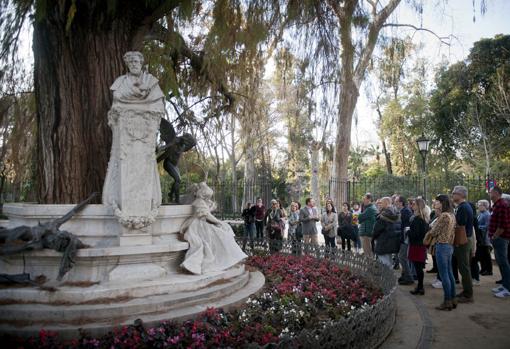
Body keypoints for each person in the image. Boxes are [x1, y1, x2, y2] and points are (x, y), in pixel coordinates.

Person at [180, 182, 247, 275]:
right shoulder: (199, 202)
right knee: (220, 234)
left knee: (221, 233)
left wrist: (211, 208)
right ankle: (226, 258)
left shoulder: (200, 202)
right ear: (203, 194)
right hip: (198, 226)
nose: (209, 198)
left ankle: (228, 257)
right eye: (207, 196)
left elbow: (206, 213)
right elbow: (207, 216)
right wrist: (219, 222)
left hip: (201, 223)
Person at [427, 194, 457, 311]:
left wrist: (436, 220)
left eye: (437, 201)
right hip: (449, 246)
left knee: (444, 275)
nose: (435, 203)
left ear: (442, 203)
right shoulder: (451, 215)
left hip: (442, 246)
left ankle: (447, 301)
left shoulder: (444, 216)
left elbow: (433, 231)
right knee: (449, 274)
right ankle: (453, 298)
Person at [452, 186, 474, 303]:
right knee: (463, 266)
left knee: (464, 267)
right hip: (465, 239)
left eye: (454, 193)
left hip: (463, 240)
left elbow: (460, 225)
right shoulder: (464, 206)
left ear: (461, 195)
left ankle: (468, 294)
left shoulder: (463, 207)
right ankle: (466, 291)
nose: (452, 195)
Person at [489, 186, 510, 298]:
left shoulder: (502, 205)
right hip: (498, 238)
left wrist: (495, 236)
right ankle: (504, 284)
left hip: (501, 239)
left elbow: (503, 225)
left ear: (496, 193)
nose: (489, 193)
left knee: (504, 262)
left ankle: (508, 288)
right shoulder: (497, 205)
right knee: (501, 262)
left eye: (491, 192)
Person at [408, 198, 430, 295]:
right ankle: (420, 287)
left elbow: (416, 234)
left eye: (414, 204)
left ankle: (420, 287)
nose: (412, 206)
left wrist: (408, 231)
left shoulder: (418, 219)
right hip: (420, 245)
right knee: (419, 268)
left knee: (418, 268)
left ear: (418, 206)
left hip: (416, 246)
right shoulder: (423, 218)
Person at [372, 197, 401, 266]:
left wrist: (373, 236)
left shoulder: (384, 215)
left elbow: (377, 229)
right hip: (392, 240)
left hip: (383, 241)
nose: (380, 204)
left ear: (386, 203)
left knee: (384, 262)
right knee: (389, 260)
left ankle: (386, 276)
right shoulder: (395, 212)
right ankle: (388, 275)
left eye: (381, 203)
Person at [396, 196, 414, 285]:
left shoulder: (405, 211)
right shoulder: (403, 210)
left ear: (401, 202)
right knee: (402, 257)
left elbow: (406, 226)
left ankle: (409, 277)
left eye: (396, 201)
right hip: (403, 237)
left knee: (403, 257)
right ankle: (405, 275)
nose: (395, 203)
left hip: (405, 238)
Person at [477, 200, 493, 276]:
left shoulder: (487, 214)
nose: (478, 206)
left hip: (485, 238)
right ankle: (483, 269)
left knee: (486, 255)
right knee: (482, 255)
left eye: (480, 205)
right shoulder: (481, 214)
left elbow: (487, 226)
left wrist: (477, 227)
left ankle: (489, 270)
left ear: (485, 206)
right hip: (482, 238)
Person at [358, 193, 377, 257]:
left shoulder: (370, 208)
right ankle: (369, 265)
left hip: (367, 233)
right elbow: (360, 220)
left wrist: (361, 217)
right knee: (368, 252)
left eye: (364, 199)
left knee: (368, 253)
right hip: (365, 232)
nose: (363, 200)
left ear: (369, 199)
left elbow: (359, 217)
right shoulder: (367, 208)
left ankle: (369, 266)